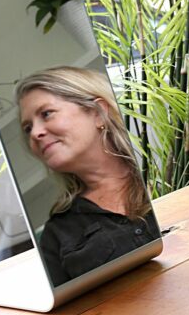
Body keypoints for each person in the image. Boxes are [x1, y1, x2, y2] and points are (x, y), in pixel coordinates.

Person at [17, 66, 160, 286]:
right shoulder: (58, 233)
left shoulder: (165, 171)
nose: (35, 133)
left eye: (46, 114)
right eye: (28, 128)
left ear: (97, 112)